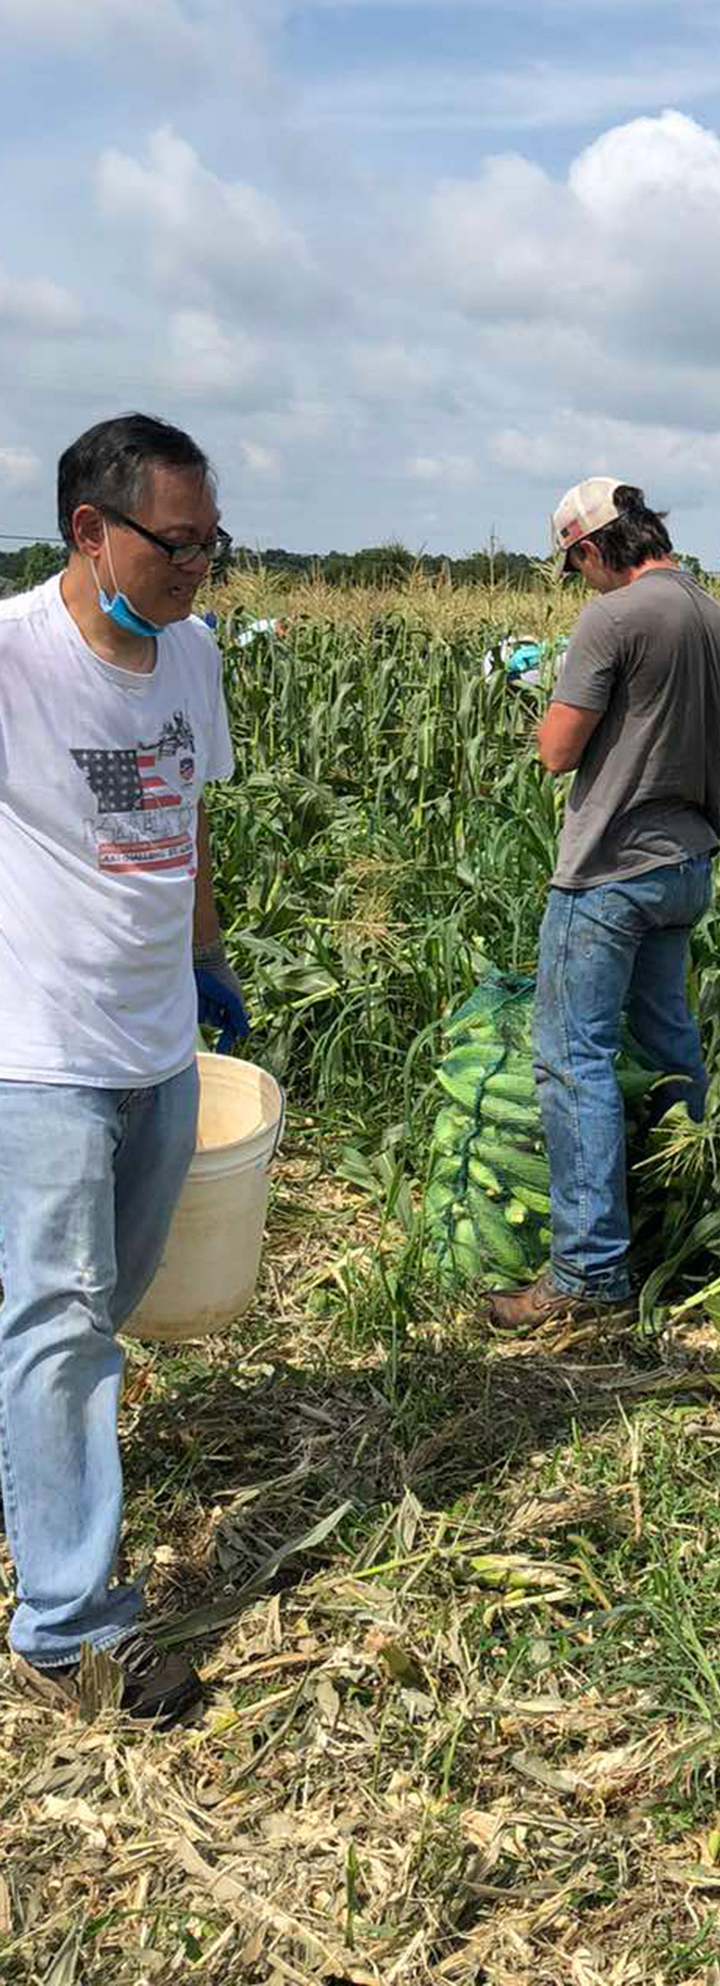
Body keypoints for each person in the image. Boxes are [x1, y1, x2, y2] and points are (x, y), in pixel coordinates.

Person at [0, 413, 247, 1725]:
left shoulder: (192, 655)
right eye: (177, 544)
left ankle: (33, 1481)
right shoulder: (12, 658)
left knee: (106, 1298)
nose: (199, 569)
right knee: (61, 1320)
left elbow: (189, 812)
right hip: (33, 1051)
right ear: (91, 531)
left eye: (213, 544)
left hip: (157, 1044)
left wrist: (211, 965)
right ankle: (68, 1628)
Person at [488, 477, 720, 1336]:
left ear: (591, 549)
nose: (581, 584)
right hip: (687, 863)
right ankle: (689, 1229)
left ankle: (590, 1268)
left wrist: (539, 718)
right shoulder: (713, 614)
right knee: (670, 1043)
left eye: (576, 567)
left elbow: (559, 751)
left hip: (611, 868)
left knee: (573, 1058)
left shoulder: (613, 618)